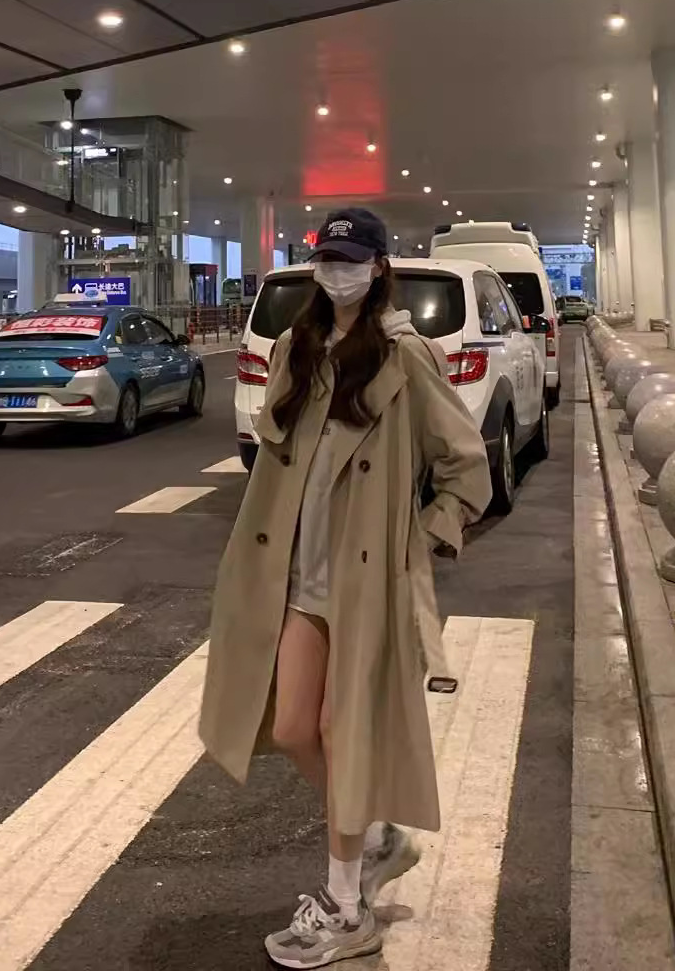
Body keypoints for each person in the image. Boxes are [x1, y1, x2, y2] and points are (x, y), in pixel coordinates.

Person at [198, 207, 492, 968]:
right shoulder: (297, 347)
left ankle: (346, 907)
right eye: (328, 258)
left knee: (342, 733)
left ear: (378, 267)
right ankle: (376, 835)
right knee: (294, 728)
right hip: (298, 577)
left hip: (365, 585)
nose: (338, 271)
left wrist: (421, 537)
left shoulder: (404, 354)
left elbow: (466, 467)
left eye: (352, 259)